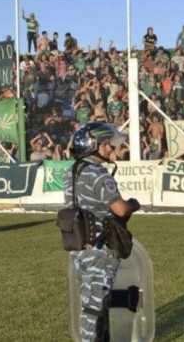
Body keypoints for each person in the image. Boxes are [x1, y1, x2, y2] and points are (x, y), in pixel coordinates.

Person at [64, 122, 140, 342]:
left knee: (91, 301)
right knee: (96, 308)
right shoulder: (97, 172)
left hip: (78, 247)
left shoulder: (72, 170)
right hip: (99, 247)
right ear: (93, 145)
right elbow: (119, 209)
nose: (111, 149)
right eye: (106, 145)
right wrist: (133, 204)